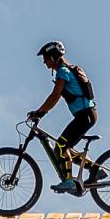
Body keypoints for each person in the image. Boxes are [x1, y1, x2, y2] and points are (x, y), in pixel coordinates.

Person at [28, 40, 96, 196]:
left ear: (53, 56)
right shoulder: (67, 70)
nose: (44, 62)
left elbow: (55, 96)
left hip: (84, 116)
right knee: (66, 148)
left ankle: (69, 181)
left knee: (60, 147)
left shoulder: (63, 72)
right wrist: (42, 112)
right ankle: (95, 170)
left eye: (45, 58)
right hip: (87, 114)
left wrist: (39, 112)